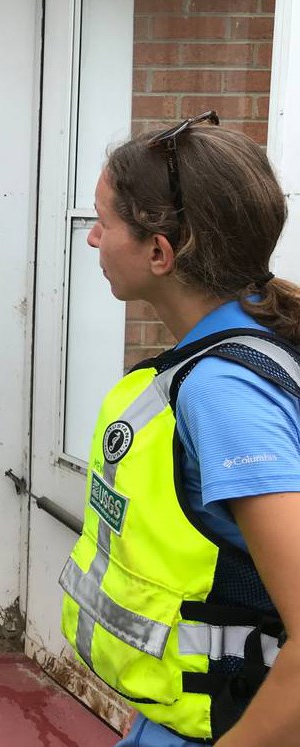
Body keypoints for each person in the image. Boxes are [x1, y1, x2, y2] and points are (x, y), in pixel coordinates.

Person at [60, 112, 300, 746]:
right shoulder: (255, 340)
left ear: (160, 252)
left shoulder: (225, 393)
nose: (93, 240)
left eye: (103, 222)